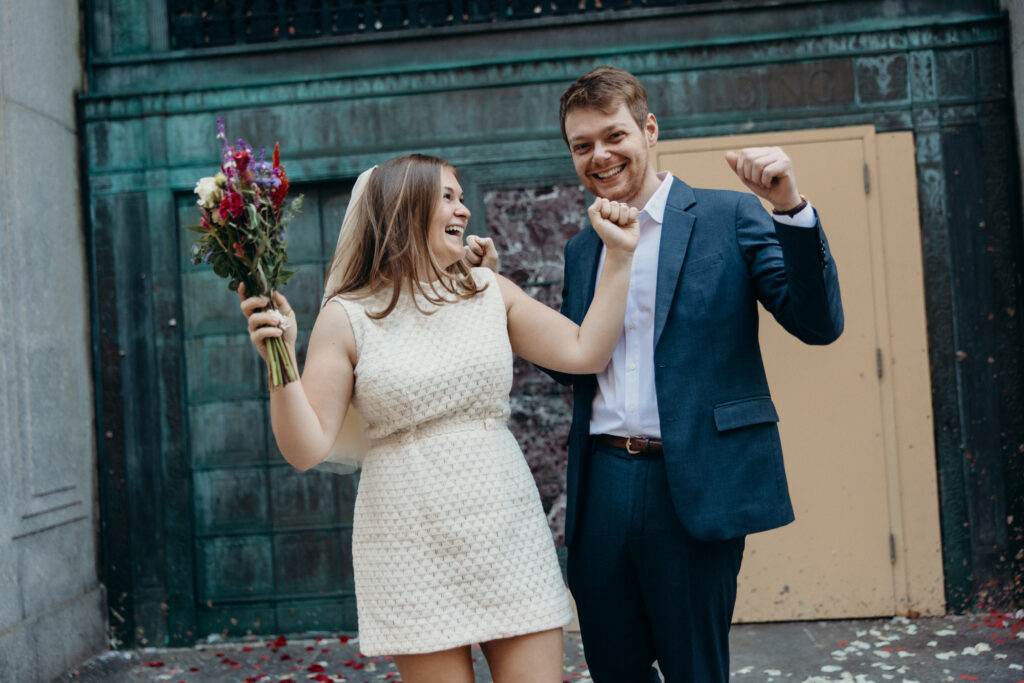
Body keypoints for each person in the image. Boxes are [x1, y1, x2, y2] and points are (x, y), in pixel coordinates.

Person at [238, 153, 640, 683]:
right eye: (447, 197)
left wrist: (619, 256)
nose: (464, 210)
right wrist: (281, 363)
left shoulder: (488, 291)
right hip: (408, 541)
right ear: (405, 209)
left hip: (505, 529)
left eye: (462, 196)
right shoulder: (347, 316)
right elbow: (305, 448)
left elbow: (585, 349)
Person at [542, 66, 845, 683]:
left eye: (614, 135)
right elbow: (577, 364)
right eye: (582, 145)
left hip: (694, 485)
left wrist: (788, 206)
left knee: (693, 670)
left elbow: (817, 324)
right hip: (600, 484)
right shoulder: (582, 248)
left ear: (649, 130)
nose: (599, 155)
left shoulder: (728, 216)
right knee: (613, 668)